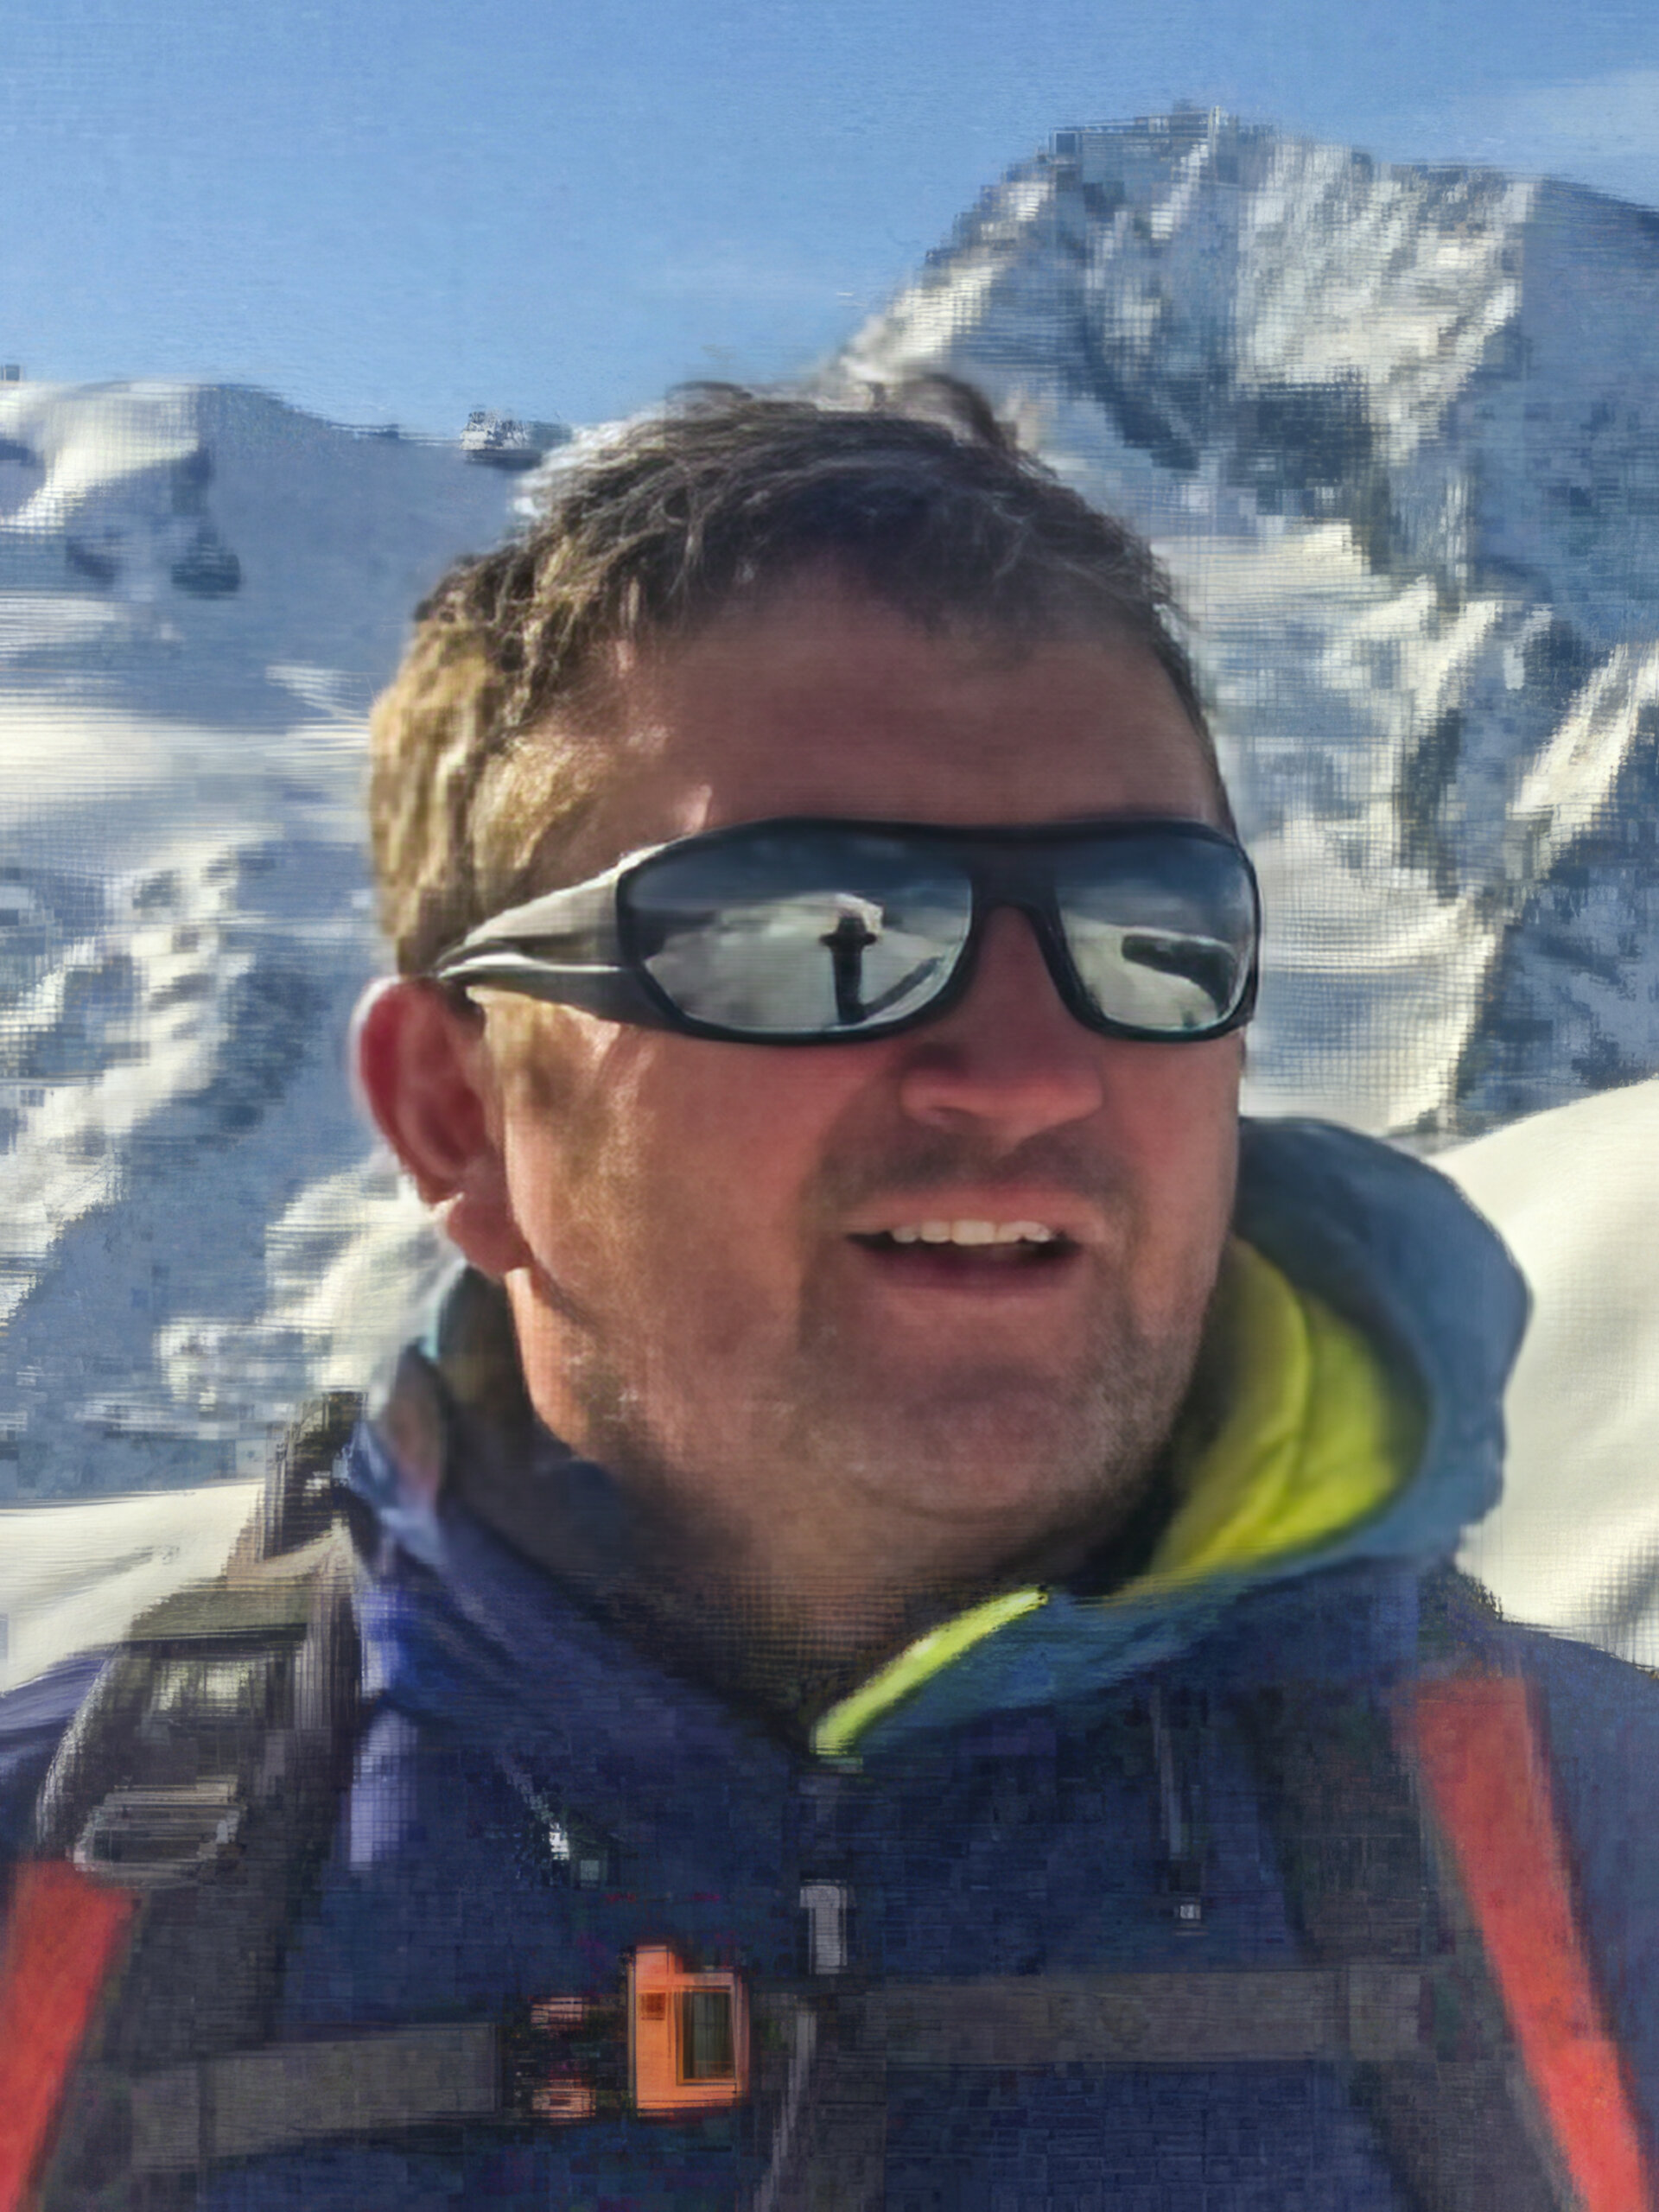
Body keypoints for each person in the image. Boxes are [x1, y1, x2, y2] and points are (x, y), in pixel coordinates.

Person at [6, 380, 1659, 2212]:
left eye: (1149, 937)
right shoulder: (56, 1925)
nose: (1027, 1073)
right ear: (457, 1113)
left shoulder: (1611, 1880)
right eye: (810, 939)